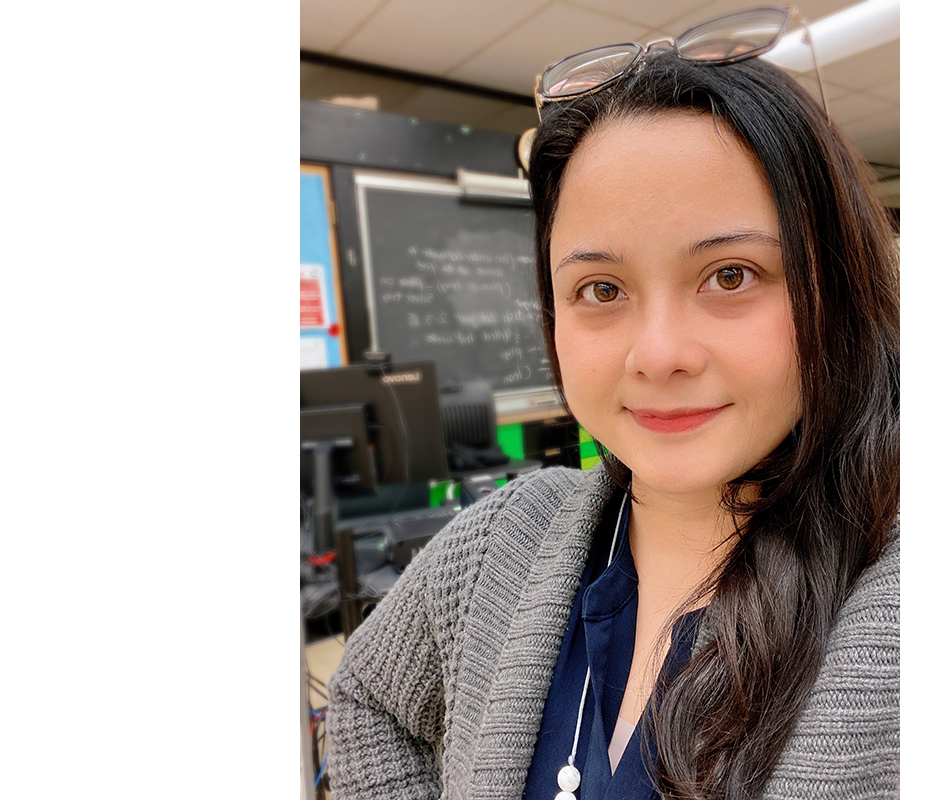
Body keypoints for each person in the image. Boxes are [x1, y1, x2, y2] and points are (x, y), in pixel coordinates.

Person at [327, 8, 899, 800]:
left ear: (833, 287)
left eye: (730, 275)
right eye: (601, 289)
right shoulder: (503, 539)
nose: (658, 354)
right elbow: (366, 699)